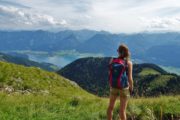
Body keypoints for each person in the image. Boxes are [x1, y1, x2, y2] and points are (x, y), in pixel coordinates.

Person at [107, 44, 133, 120]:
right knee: (122, 111)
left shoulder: (112, 60)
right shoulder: (128, 63)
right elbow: (130, 78)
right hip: (124, 88)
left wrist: (111, 83)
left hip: (113, 86)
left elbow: (110, 73)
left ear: (118, 52)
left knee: (110, 107)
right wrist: (131, 88)